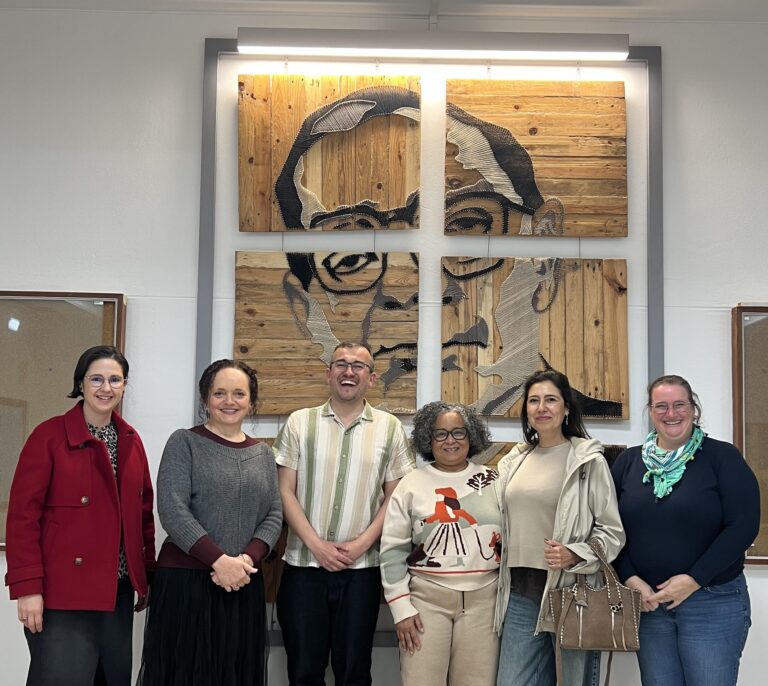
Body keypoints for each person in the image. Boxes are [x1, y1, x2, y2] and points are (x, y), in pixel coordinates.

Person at [4, 345, 155, 686]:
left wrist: (144, 577)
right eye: (97, 378)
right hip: (62, 595)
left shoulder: (131, 440)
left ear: (125, 385)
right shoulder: (49, 436)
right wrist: (28, 589)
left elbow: (142, 516)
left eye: (115, 379)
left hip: (116, 594)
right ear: (81, 383)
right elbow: (22, 519)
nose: (106, 388)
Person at [273, 341, 415, 686]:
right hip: (303, 567)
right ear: (328, 373)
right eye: (341, 364)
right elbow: (284, 491)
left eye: (358, 366)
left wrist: (361, 545)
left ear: (371, 377)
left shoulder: (390, 427)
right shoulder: (298, 423)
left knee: (354, 672)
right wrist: (316, 545)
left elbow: (395, 498)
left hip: (362, 572)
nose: (348, 371)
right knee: (303, 671)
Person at [138, 359, 282, 686]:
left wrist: (244, 561)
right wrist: (220, 561)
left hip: (242, 584)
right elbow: (172, 509)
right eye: (219, 393)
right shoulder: (184, 442)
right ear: (205, 399)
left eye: (238, 393)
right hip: (187, 585)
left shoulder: (262, 454)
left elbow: (274, 513)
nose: (228, 401)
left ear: (251, 401)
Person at [611, 374, 759, 686]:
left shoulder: (722, 457)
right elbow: (610, 529)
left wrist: (694, 579)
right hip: (650, 604)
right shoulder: (628, 463)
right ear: (651, 412)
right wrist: (630, 577)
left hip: (712, 601)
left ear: (693, 409)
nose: (671, 413)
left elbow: (743, 526)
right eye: (661, 406)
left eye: (679, 404)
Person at [494, 369, 625, 686]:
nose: (542, 408)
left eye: (551, 400)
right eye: (534, 401)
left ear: (566, 408)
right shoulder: (514, 461)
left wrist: (574, 554)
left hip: (572, 591)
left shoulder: (587, 460)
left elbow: (612, 532)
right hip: (521, 591)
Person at [381, 401, 501, 686]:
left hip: (485, 604)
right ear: (427, 438)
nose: (450, 440)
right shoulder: (411, 484)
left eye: (459, 432)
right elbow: (392, 550)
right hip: (425, 605)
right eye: (440, 434)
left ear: (471, 436)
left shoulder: (494, 479)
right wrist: (401, 609)